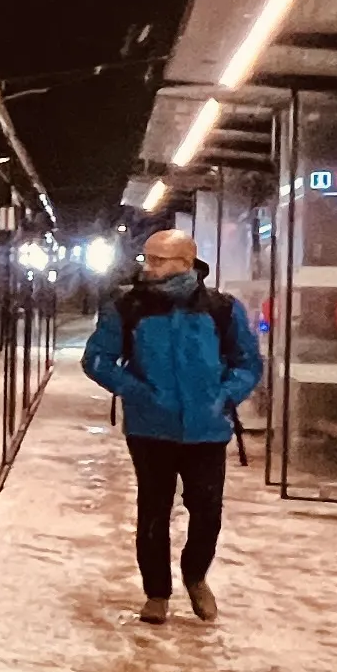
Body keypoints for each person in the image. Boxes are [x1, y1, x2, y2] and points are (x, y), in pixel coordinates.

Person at [82, 226, 261, 624]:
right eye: (146, 257)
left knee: (207, 510)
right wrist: (138, 391)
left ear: (186, 263)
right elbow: (97, 359)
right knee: (153, 512)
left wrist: (225, 396)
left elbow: (247, 363)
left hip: (207, 428)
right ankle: (156, 594)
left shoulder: (221, 308)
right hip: (150, 429)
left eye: (158, 260)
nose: (148, 266)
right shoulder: (127, 307)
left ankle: (196, 576)